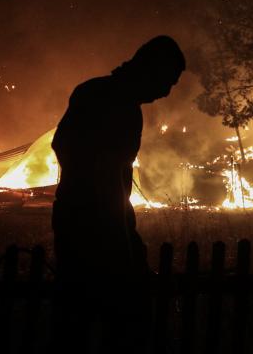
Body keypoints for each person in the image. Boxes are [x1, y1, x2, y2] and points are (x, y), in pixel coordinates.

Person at [51, 35, 185, 353]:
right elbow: (108, 180)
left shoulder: (89, 91)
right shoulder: (123, 109)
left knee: (74, 323)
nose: (167, 91)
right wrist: (125, 243)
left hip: (71, 218)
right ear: (151, 69)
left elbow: (60, 145)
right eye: (168, 81)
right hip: (98, 228)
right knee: (124, 324)